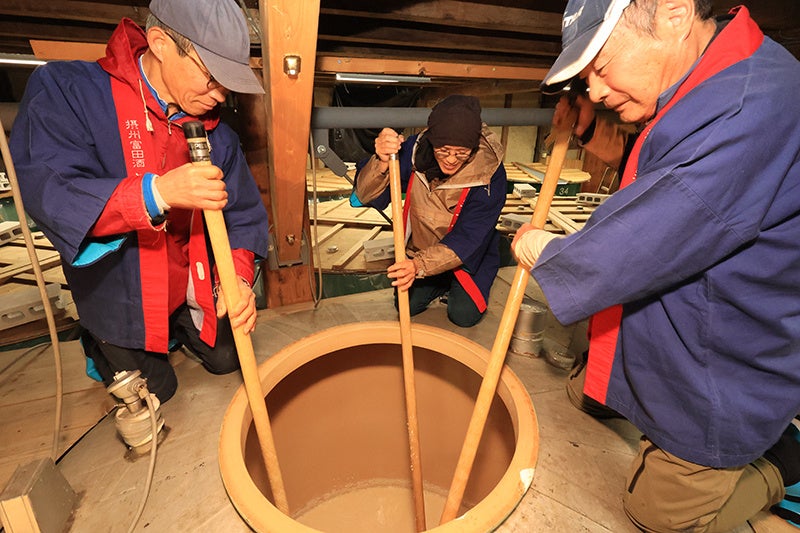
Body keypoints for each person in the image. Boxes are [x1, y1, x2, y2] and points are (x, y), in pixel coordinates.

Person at [511, 0, 800, 530]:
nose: (594, 90)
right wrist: (584, 132)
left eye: (602, 66)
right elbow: (654, 162)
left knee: (655, 520)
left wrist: (539, 248)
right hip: (679, 311)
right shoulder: (708, 77)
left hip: (722, 359)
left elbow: (634, 246)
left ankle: (781, 459)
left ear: (673, 12)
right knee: (584, 391)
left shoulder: (749, 108)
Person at [9, 0, 270, 403]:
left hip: (186, 279)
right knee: (159, 391)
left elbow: (243, 215)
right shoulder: (68, 90)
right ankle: (99, 339)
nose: (220, 95)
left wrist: (235, 280)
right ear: (161, 43)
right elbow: (52, 190)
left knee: (227, 358)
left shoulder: (216, 134)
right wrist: (157, 194)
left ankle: (178, 323)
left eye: (228, 82)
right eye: (210, 76)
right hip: (121, 290)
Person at [350, 95, 507, 327]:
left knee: (463, 316)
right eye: (443, 150)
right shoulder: (414, 152)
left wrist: (418, 267)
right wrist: (382, 161)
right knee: (407, 305)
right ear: (432, 142)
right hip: (421, 248)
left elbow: (469, 238)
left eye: (462, 152)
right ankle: (439, 280)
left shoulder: (490, 175)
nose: (452, 159)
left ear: (473, 149)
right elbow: (363, 196)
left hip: (466, 255)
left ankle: (451, 279)